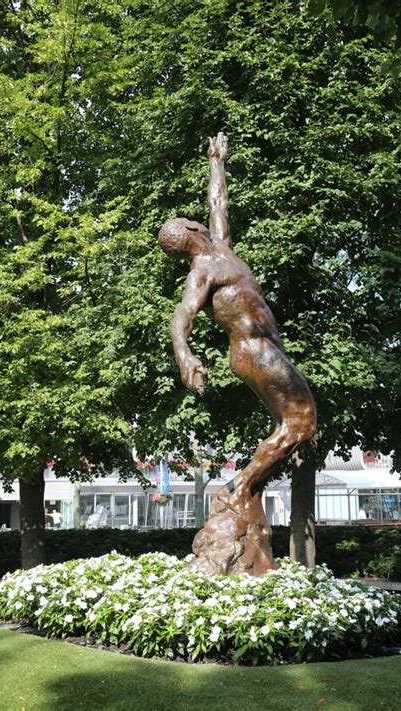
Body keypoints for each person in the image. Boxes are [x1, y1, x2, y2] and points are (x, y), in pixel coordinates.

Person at [159, 133, 316, 574]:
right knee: (301, 422)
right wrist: (184, 355)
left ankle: (244, 492)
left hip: (264, 346)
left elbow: (218, 201)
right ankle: (241, 485)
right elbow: (182, 316)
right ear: (190, 232)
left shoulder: (221, 247)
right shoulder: (203, 270)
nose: (204, 220)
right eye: (197, 221)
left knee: (296, 424)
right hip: (251, 349)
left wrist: (216, 160)